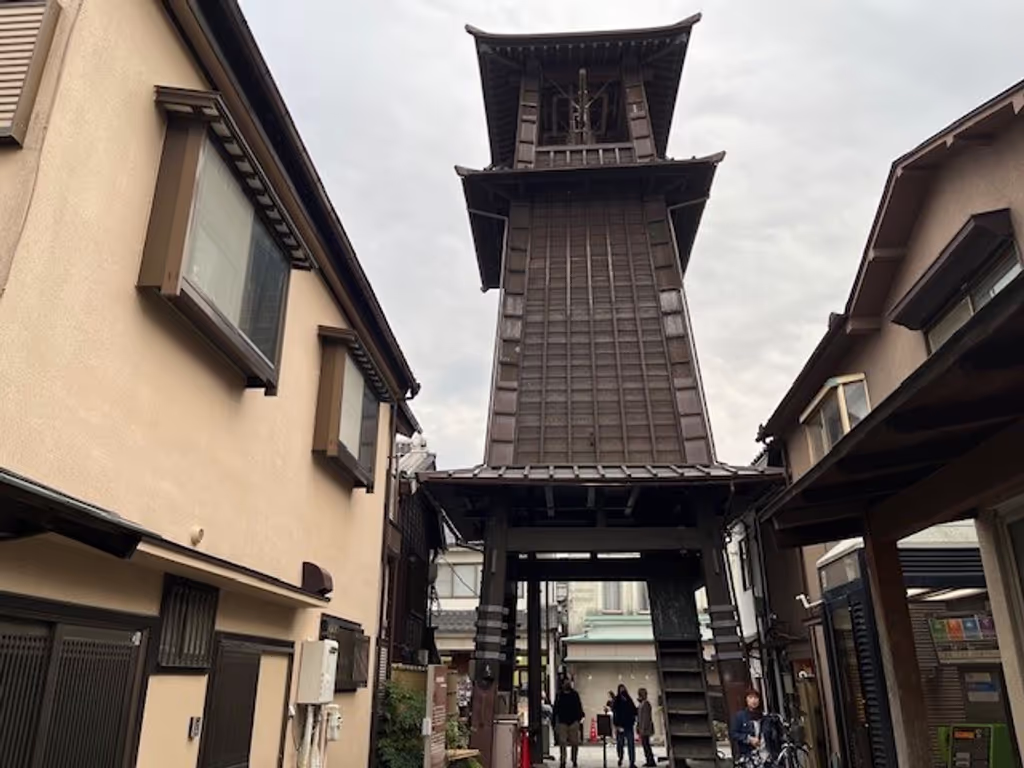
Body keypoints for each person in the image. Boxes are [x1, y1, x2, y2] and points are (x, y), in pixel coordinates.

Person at [730, 689, 770, 766]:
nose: (753, 700)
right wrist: (749, 739)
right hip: (749, 755)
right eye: (750, 697)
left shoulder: (765, 716)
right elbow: (733, 734)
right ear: (746, 700)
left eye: (756, 698)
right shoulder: (740, 716)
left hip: (765, 754)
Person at [552, 677, 584, 768]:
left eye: (568, 682)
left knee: (575, 742)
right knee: (562, 742)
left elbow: (579, 706)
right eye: (566, 682)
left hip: (573, 721)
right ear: (562, 684)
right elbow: (556, 709)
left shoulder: (574, 694)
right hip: (562, 722)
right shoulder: (559, 695)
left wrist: (579, 718)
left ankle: (574, 759)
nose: (567, 684)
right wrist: (554, 722)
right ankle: (563, 761)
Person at [612, 684, 638, 768]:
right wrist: (616, 725)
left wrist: (633, 719)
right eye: (621, 689)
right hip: (620, 726)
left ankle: (632, 762)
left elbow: (634, 710)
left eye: (623, 689)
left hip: (628, 726)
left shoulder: (629, 700)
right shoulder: (617, 700)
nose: (622, 691)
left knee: (631, 745)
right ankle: (620, 757)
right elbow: (615, 713)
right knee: (620, 744)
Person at [636, 688, 656, 767]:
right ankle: (649, 760)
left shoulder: (646, 704)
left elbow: (646, 718)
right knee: (645, 745)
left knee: (646, 745)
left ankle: (650, 760)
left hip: (645, 728)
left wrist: (643, 728)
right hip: (643, 727)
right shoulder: (642, 704)